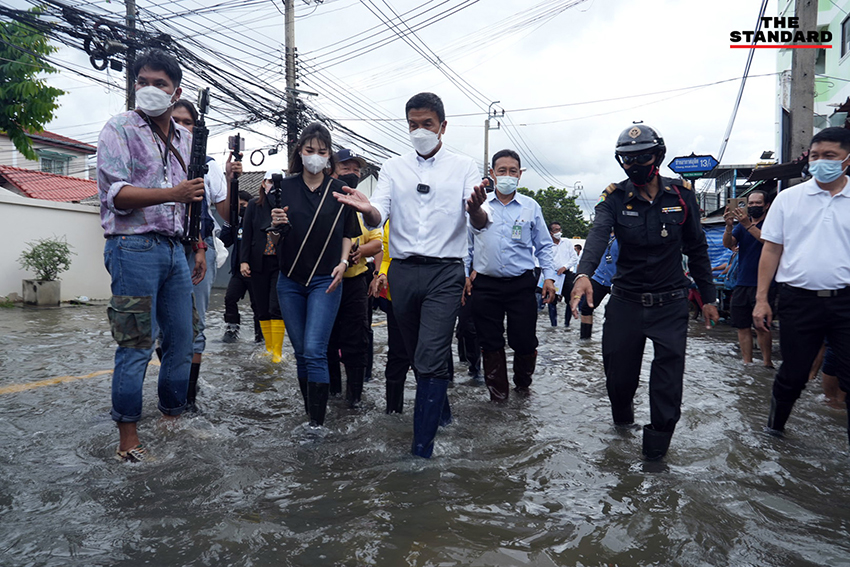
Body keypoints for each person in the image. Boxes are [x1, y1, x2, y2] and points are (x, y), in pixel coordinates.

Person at [334, 92, 490, 458]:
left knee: (432, 354)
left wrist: (478, 210)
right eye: (413, 125)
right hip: (402, 272)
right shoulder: (392, 168)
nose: (420, 131)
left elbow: (480, 223)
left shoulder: (465, 167)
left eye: (427, 125)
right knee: (419, 354)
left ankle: (421, 453)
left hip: (445, 273)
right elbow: (378, 214)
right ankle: (443, 415)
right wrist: (366, 209)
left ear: (443, 127)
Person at [570, 123, 719, 461]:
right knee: (619, 381)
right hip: (625, 303)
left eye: (642, 157)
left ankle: (655, 460)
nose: (634, 165)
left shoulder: (681, 196)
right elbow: (597, 235)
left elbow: (697, 248)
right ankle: (621, 432)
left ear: (658, 156)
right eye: (627, 159)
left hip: (670, 305)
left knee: (667, 386)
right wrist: (583, 274)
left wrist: (708, 298)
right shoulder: (613, 198)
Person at [97, 49, 206, 462]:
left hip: (177, 250)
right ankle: (128, 442)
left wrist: (196, 246)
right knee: (135, 343)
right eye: (142, 81)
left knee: (181, 341)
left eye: (159, 83)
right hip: (131, 247)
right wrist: (171, 194)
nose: (149, 89)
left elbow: (194, 202)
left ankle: (172, 423)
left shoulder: (186, 138)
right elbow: (117, 194)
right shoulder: (119, 128)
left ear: (175, 90)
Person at [754, 127, 850, 441]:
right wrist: (762, 299)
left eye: (830, 156)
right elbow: (771, 249)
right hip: (798, 301)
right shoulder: (788, 199)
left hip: (846, 301)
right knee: (793, 374)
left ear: (846, 160)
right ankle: (774, 431)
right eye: (816, 156)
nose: (821, 161)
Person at [270, 123, 361, 427]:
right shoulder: (284, 187)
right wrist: (276, 225)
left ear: (329, 156)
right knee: (300, 352)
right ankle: (311, 416)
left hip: (326, 279)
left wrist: (344, 262)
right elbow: (272, 240)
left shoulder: (339, 192)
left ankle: (317, 427)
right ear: (299, 151)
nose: (315, 157)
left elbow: (350, 232)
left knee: (315, 349)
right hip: (290, 280)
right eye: (310, 150)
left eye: (322, 152)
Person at [464, 149, 557, 401]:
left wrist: (549, 277)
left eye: (512, 171)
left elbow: (545, 246)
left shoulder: (531, 207)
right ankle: (498, 398)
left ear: (520, 175)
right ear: (492, 174)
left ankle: (523, 388)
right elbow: (466, 246)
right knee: (490, 342)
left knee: (525, 340)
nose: (507, 175)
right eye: (501, 171)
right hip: (485, 285)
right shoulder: (477, 206)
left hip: (521, 285)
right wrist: (464, 274)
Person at [170, 99, 230, 411]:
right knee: (161, 327)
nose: (181, 126)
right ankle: (170, 392)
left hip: (198, 248)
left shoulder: (209, 165)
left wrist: (230, 180)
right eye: (175, 119)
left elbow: (225, 213)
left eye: (188, 122)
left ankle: (188, 398)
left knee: (196, 325)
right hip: (163, 246)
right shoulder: (156, 159)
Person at [326, 148, 382, 407]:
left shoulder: (363, 203)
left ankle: (354, 399)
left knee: (357, 339)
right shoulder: (324, 198)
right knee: (327, 340)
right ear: (333, 170)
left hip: (355, 281)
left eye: (357, 170)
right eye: (346, 168)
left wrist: (359, 252)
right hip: (324, 282)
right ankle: (331, 393)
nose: (352, 173)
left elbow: (377, 242)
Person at [722, 189, 774, 368]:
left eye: (757, 203)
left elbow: (767, 241)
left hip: (763, 283)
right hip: (742, 281)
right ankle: (747, 364)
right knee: (742, 325)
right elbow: (729, 244)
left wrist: (748, 225)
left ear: (766, 205)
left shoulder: (770, 224)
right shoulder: (742, 226)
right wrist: (729, 226)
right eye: (750, 203)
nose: (753, 207)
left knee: (762, 326)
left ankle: (767, 363)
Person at [240, 170, 287, 363]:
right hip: (258, 261)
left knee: (276, 306)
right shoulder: (254, 205)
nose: (273, 185)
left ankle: (277, 352)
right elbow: (247, 234)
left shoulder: (287, 205)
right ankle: (268, 349)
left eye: (276, 182)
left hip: (280, 262)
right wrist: (243, 261)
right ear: (263, 183)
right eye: (269, 181)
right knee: (261, 307)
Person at [220, 190, 262, 343]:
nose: (241, 208)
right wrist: (228, 222)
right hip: (238, 271)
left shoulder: (256, 220)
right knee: (230, 298)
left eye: (243, 205)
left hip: (255, 270)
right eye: (238, 206)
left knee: (257, 305)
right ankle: (232, 328)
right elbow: (224, 241)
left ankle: (260, 335)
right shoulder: (235, 223)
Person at [578, 234, 618, 339]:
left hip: (618, 279)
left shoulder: (624, 236)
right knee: (586, 307)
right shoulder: (602, 237)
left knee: (614, 312)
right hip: (600, 277)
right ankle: (585, 341)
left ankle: (614, 340)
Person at [548, 222, 579, 327]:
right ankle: (554, 325)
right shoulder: (547, 244)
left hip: (566, 274)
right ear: (551, 232)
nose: (559, 232)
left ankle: (567, 324)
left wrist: (565, 266)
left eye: (560, 229)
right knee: (552, 300)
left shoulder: (567, 242)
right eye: (556, 230)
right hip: (553, 275)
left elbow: (574, 258)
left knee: (570, 299)